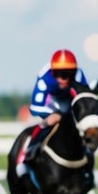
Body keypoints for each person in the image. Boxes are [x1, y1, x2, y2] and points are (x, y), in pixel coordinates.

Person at [16, 49, 91, 177]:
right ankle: (28, 154)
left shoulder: (79, 76)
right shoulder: (44, 78)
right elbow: (34, 108)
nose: (65, 79)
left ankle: (88, 163)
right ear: (53, 72)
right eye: (60, 74)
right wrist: (52, 115)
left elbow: (85, 100)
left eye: (69, 73)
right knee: (47, 124)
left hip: (70, 102)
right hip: (50, 102)